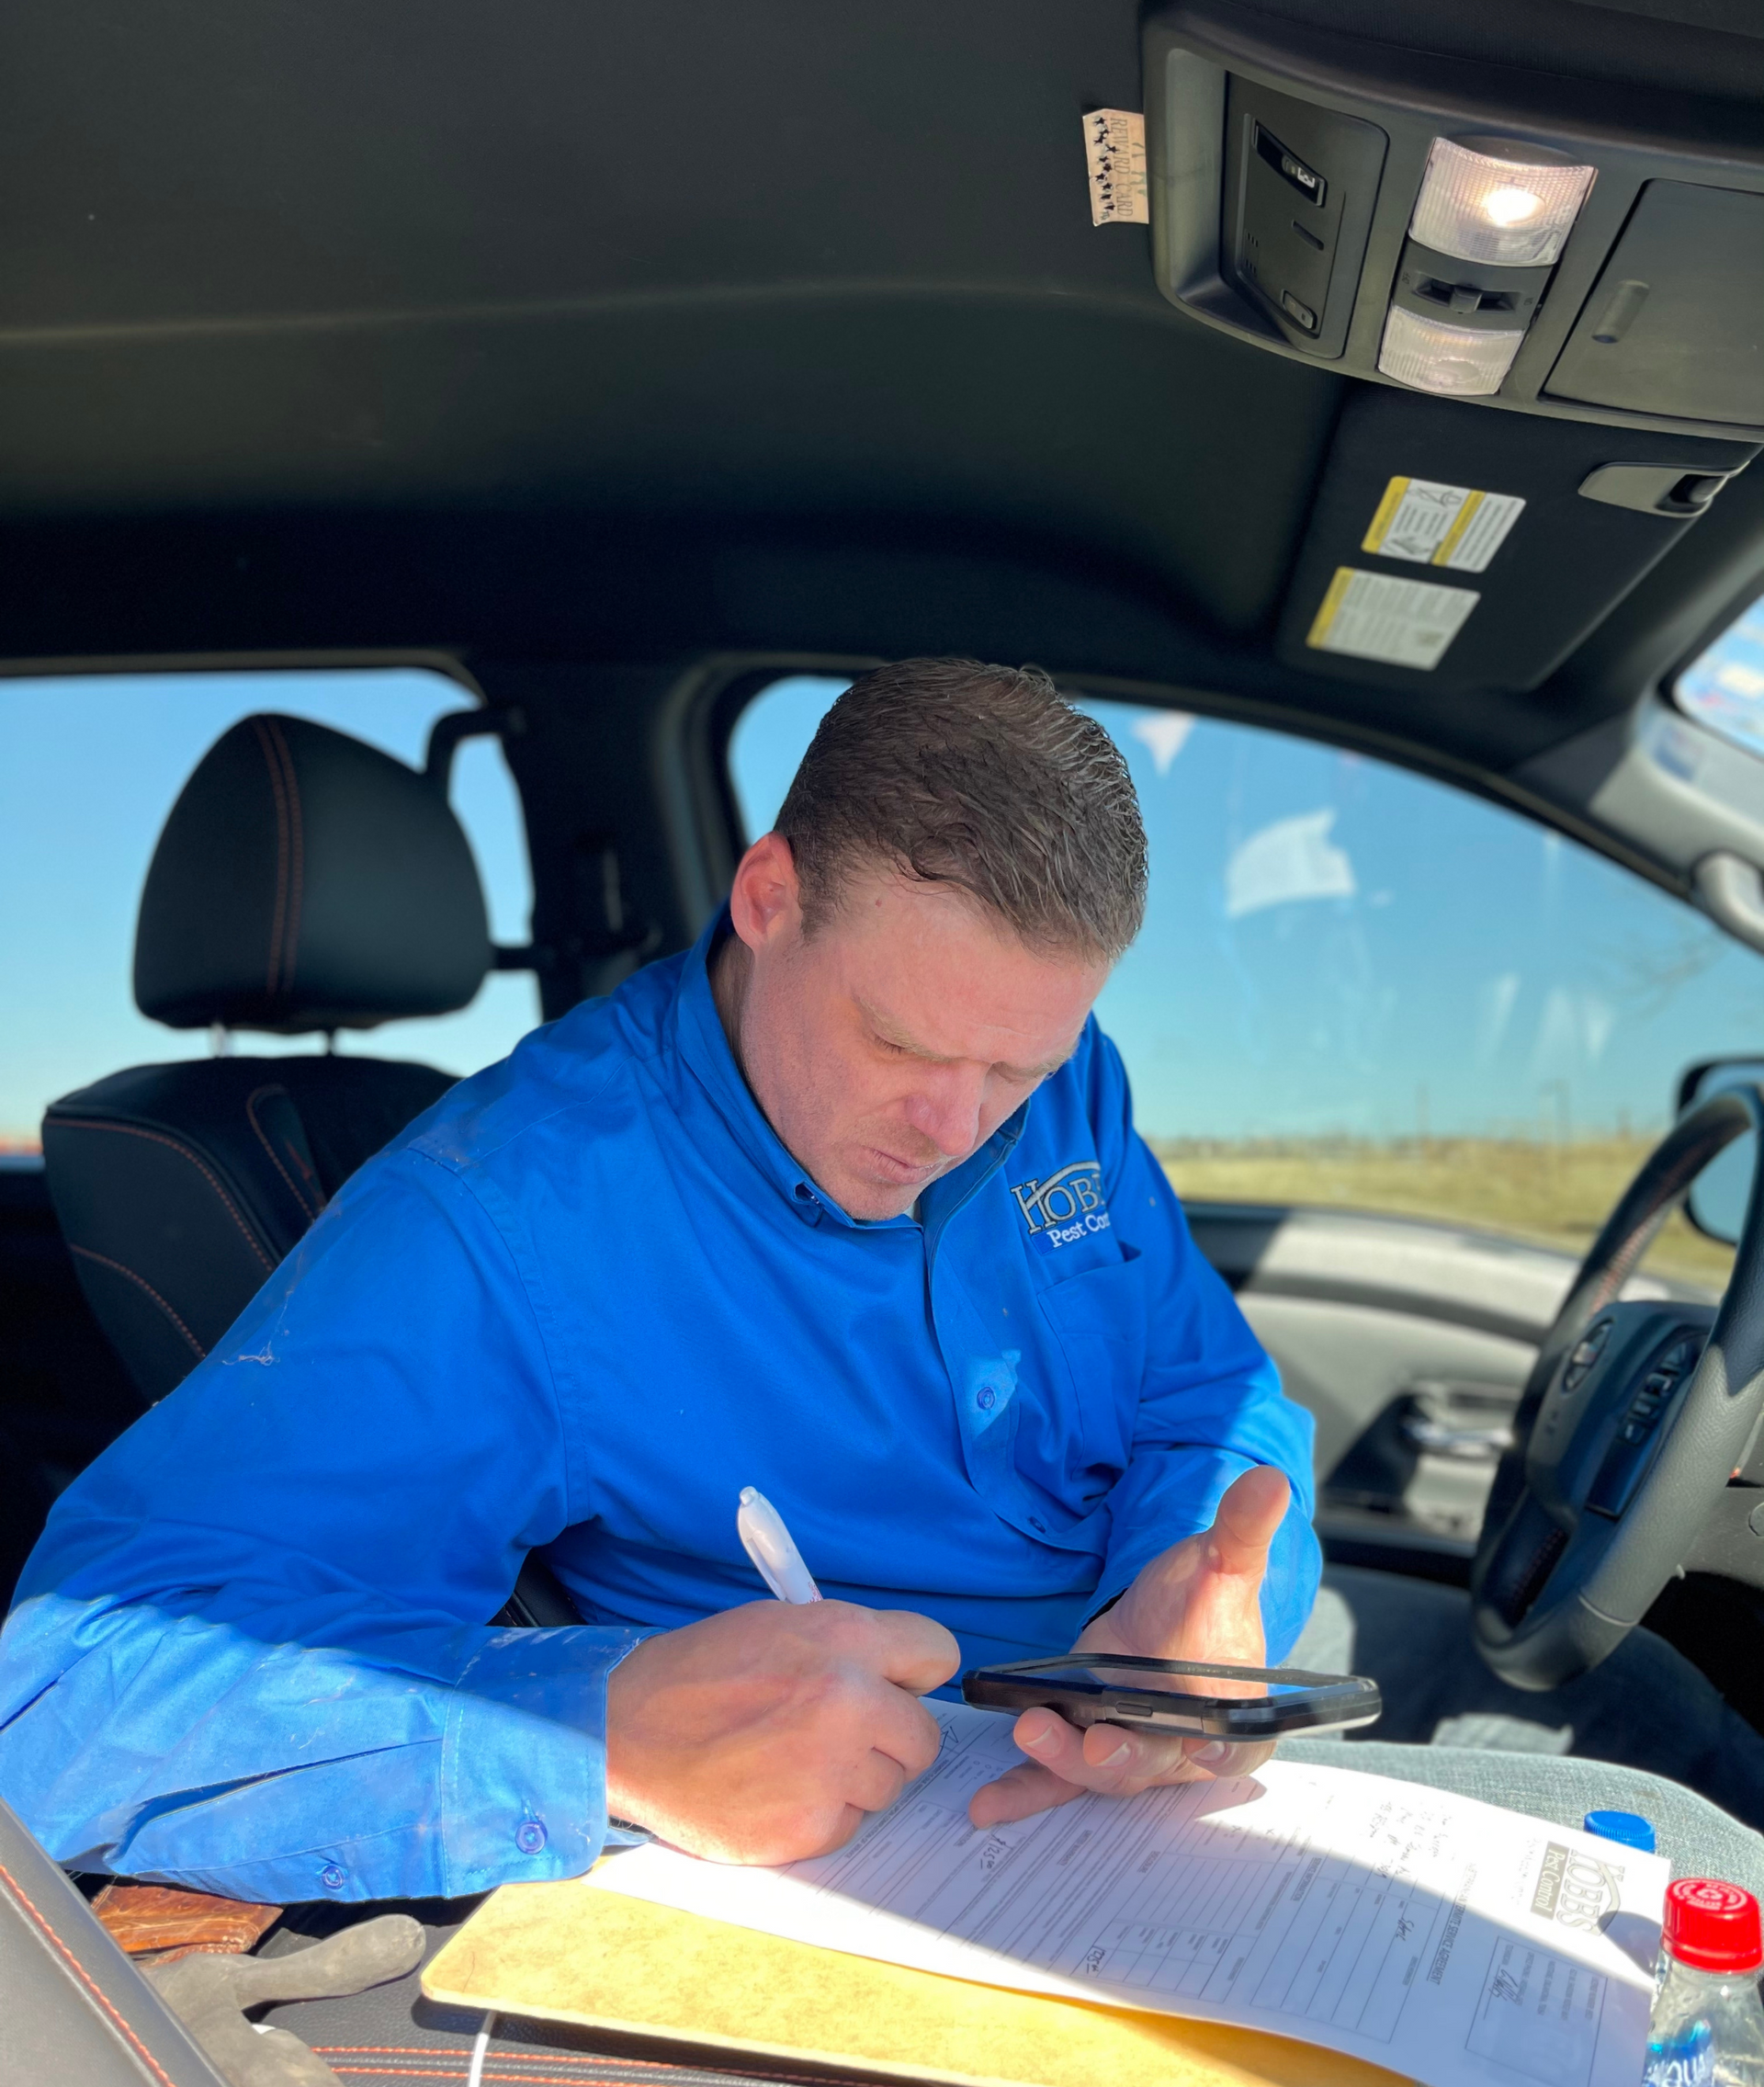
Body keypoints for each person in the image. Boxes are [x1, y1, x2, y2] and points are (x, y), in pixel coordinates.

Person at [6, 658, 1764, 1904]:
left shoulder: (1058, 1087)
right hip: (904, 1814)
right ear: (770, 894)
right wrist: (594, 1733)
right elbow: (64, 1694)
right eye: (906, 1044)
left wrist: (1194, 1584)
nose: (959, 1125)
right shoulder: (504, 1217)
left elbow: (1200, 1386)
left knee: (1648, 1720)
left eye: (1018, 1065)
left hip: (1137, 1729)